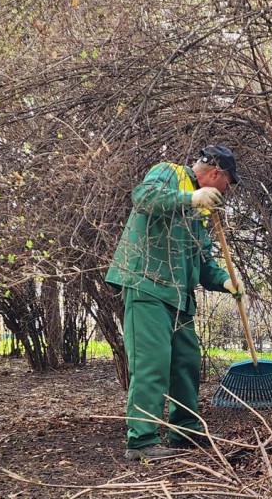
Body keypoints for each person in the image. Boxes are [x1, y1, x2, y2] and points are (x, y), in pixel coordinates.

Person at [105, 145, 244, 460]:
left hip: (179, 298)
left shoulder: (199, 213)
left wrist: (225, 281)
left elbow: (203, 261)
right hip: (148, 285)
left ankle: (185, 433)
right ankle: (141, 442)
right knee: (151, 364)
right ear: (215, 174)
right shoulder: (169, 173)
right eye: (227, 183)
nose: (227, 191)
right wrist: (190, 198)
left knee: (186, 364)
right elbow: (144, 199)